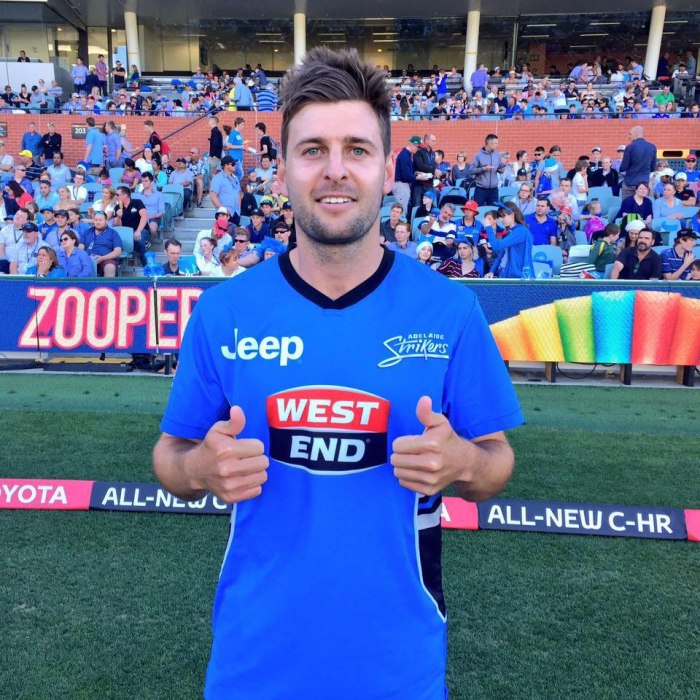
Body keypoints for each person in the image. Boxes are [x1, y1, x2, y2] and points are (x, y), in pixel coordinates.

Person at [153, 48, 522, 700]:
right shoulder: (225, 312)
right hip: (252, 666)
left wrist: (461, 460)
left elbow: (496, 465)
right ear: (282, 168)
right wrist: (200, 470)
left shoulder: (450, 311)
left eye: (356, 149)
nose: (335, 170)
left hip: (397, 669)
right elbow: (169, 457)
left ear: (386, 165)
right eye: (312, 150)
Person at [484, 202, 534, 279]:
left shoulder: (520, 231)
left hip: (520, 277)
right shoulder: (511, 231)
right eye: (500, 217)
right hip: (508, 275)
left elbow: (496, 246)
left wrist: (488, 227)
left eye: (503, 216)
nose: (501, 220)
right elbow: (501, 255)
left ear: (512, 214)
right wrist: (492, 271)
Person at [619, 126, 656, 199]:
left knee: (627, 204)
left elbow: (623, 167)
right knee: (643, 205)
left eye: (630, 134)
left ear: (635, 134)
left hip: (630, 183)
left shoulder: (630, 147)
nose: (628, 136)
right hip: (644, 184)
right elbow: (652, 168)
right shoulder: (652, 147)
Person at [470, 134, 506, 205]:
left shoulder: (497, 155)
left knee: (494, 210)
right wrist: (483, 169)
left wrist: (501, 170)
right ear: (489, 143)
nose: (497, 145)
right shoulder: (478, 155)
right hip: (481, 190)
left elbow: (499, 167)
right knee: (478, 210)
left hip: (494, 190)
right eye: (495, 143)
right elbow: (471, 171)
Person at [392, 135, 420, 212]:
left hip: (402, 185)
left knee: (402, 210)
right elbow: (406, 175)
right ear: (413, 145)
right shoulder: (404, 155)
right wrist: (417, 177)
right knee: (401, 211)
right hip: (401, 185)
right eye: (418, 147)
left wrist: (415, 173)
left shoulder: (407, 154)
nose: (418, 149)